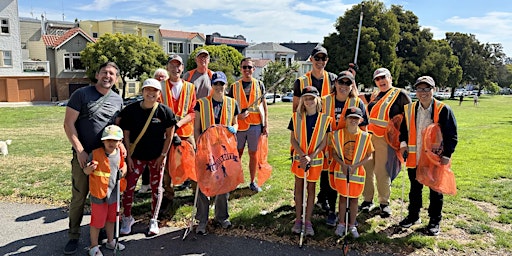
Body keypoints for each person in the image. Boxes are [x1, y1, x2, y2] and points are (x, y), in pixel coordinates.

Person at [63, 61, 124, 255]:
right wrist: (80, 150)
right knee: (79, 197)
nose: (108, 76)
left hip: (106, 159)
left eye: (112, 74)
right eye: (105, 72)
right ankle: (73, 235)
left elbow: (116, 129)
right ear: (97, 74)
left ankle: (103, 236)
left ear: (116, 78)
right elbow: (68, 124)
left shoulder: (117, 99)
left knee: (106, 197)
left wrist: (121, 151)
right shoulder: (81, 94)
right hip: (84, 157)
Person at [398, 76, 458, 236]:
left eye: (426, 89)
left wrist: (447, 155)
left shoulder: (443, 109)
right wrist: (403, 144)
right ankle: (413, 216)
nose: (423, 93)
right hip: (415, 156)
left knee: (435, 190)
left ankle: (434, 221)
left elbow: (451, 135)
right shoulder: (409, 109)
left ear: (434, 90)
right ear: (415, 91)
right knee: (415, 189)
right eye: (419, 89)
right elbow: (403, 130)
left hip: (434, 158)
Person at [119, 78, 176, 236]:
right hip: (136, 156)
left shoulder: (165, 112)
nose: (151, 93)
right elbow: (126, 135)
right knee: (129, 188)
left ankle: (154, 219)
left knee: (156, 188)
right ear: (142, 91)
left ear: (159, 94)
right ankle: (127, 217)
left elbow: (170, 136)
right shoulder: (131, 111)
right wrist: (128, 157)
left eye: (155, 91)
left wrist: (163, 156)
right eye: (147, 90)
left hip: (156, 157)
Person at [360, 67, 411, 218]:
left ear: (390, 78)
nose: (381, 81)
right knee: (367, 169)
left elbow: (409, 119)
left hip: (386, 139)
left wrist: (404, 141)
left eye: (383, 77)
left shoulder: (400, 95)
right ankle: (367, 200)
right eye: (377, 79)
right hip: (369, 137)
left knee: (382, 171)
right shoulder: (375, 94)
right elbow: (358, 95)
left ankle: (384, 203)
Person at [193, 71, 240, 234]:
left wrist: (235, 128)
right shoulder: (201, 103)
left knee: (223, 183)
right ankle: (202, 220)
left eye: (222, 84)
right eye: (216, 84)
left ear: (226, 85)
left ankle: (221, 217)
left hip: (224, 151)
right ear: (212, 86)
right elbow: (197, 128)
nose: (219, 87)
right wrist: (200, 147)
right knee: (203, 183)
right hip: (206, 150)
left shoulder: (232, 103)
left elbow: (236, 123)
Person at [292, 45, 337, 213]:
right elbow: (296, 107)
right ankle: (300, 200)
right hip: (305, 129)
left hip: (324, 129)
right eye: (316, 58)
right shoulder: (301, 81)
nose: (320, 61)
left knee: (325, 164)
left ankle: (322, 198)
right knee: (303, 162)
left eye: (323, 58)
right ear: (311, 59)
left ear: (327, 60)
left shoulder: (333, 79)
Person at [321, 70, 368, 226]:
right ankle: (331, 211)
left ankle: (345, 211)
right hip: (327, 147)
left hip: (348, 150)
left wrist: (361, 151)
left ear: (352, 85)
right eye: (341, 82)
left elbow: (364, 128)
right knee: (328, 180)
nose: (344, 86)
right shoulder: (325, 101)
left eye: (348, 83)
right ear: (335, 83)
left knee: (345, 180)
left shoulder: (357, 103)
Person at [289, 86, 332, 236]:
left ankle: (308, 221)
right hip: (299, 160)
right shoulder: (296, 117)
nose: (309, 101)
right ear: (302, 100)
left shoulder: (325, 119)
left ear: (317, 99)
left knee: (311, 189)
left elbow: (323, 143)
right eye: (306, 98)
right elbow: (293, 139)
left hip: (315, 161)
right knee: (299, 188)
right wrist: (302, 155)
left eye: (312, 98)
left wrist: (310, 156)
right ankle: (298, 220)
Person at [160, 54, 197, 211]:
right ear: (168, 67)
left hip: (186, 133)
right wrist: (170, 128)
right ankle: (168, 196)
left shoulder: (190, 87)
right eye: (172, 65)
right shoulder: (160, 86)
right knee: (165, 166)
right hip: (165, 133)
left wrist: (179, 123)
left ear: (182, 68)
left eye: (178, 65)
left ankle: (197, 194)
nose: (176, 68)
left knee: (193, 164)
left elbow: (193, 112)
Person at [329, 108, 374, 238]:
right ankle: (341, 223)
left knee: (354, 199)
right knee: (342, 197)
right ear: (345, 119)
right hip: (342, 171)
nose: (353, 120)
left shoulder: (365, 137)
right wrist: (343, 164)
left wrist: (356, 166)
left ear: (360, 120)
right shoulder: (337, 135)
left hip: (357, 172)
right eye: (350, 118)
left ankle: (352, 224)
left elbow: (369, 155)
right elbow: (334, 153)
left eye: (356, 118)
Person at [83, 125, 127, 256]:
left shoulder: (119, 153)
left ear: (120, 142)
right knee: (97, 221)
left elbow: (122, 165)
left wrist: (123, 171)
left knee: (111, 219)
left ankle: (110, 241)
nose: (111, 143)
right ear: (103, 141)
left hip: (114, 194)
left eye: (115, 140)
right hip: (99, 194)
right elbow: (85, 171)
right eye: (108, 140)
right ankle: (94, 246)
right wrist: (89, 169)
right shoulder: (95, 154)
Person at [227, 57, 268, 192]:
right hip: (238, 126)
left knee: (253, 154)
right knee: (236, 154)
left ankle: (252, 181)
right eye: (244, 67)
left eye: (249, 67)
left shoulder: (259, 84)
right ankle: (234, 180)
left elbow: (263, 105)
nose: (247, 70)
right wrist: (237, 116)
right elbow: (228, 107)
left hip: (255, 125)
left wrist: (265, 124)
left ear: (253, 69)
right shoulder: (234, 86)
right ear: (241, 69)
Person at [179, 49, 213, 191]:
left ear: (208, 60)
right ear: (196, 60)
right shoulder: (189, 75)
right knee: (190, 149)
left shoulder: (212, 75)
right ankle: (188, 177)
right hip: (192, 116)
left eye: (205, 57)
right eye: (200, 57)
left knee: (206, 148)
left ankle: (205, 174)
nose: (202, 60)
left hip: (208, 117)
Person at [139, 68, 170, 194]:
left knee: (161, 162)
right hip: (146, 138)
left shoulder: (166, 93)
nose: (160, 78)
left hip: (163, 134)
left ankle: (160, 186)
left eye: (163, 76)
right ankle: (145, 183)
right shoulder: (147, 97)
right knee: (146, 163)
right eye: (158, 76)